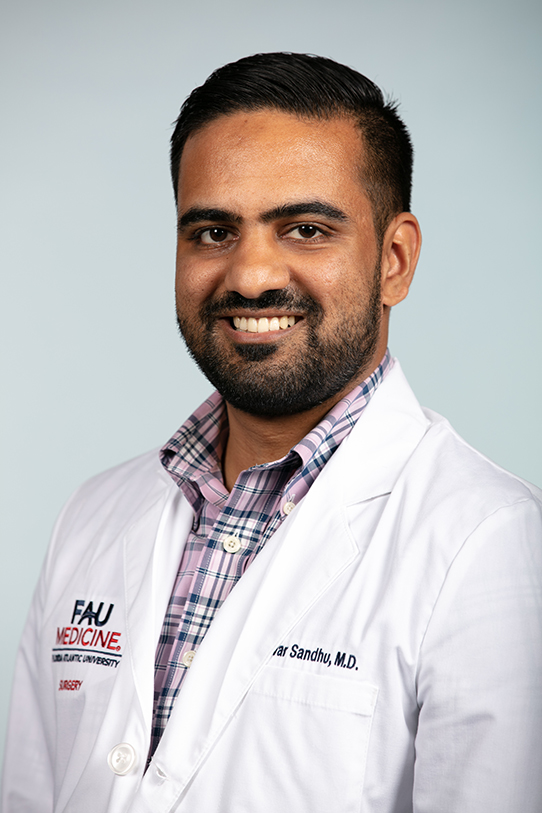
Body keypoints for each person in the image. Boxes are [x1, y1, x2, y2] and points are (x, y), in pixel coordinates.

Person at [2, 52, 541, 813]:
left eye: (306, 229)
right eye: (213, 231)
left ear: (394, 259)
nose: (251, 276)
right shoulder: (92, 515)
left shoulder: (488, 542)